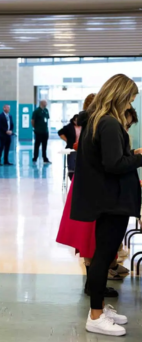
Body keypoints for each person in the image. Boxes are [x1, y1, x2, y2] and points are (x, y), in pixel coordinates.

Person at [71, 74, 142, 337]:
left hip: (104, 198)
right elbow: (113, 165)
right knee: (103, 256)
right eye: (131, 99)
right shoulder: (110, 123)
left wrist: (130, 156)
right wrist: (139, 158)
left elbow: (108, 159)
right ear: (121, 96)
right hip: (112, 200)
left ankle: (99, 307)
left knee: (102, 255)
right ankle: (96, 316)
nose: (130, 104)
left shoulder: (96, 121)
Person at [57, 104, 138, 300]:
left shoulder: (96, 125)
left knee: (95, 247)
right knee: (95, 247)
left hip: (94, 192)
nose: (126, 130)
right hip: (100, 194)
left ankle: (96, 300)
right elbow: (112, 163)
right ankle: (96, 306)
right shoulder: (106, 126)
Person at [58, 114, 81, 180]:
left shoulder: (83, 126)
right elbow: (60, 132)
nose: (77, 122)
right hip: (72, 147)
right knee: (72, 165)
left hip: (81, 147)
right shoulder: (69, 126)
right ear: (73, 121)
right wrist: (66, 140)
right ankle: (72, 177)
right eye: (76, 121)